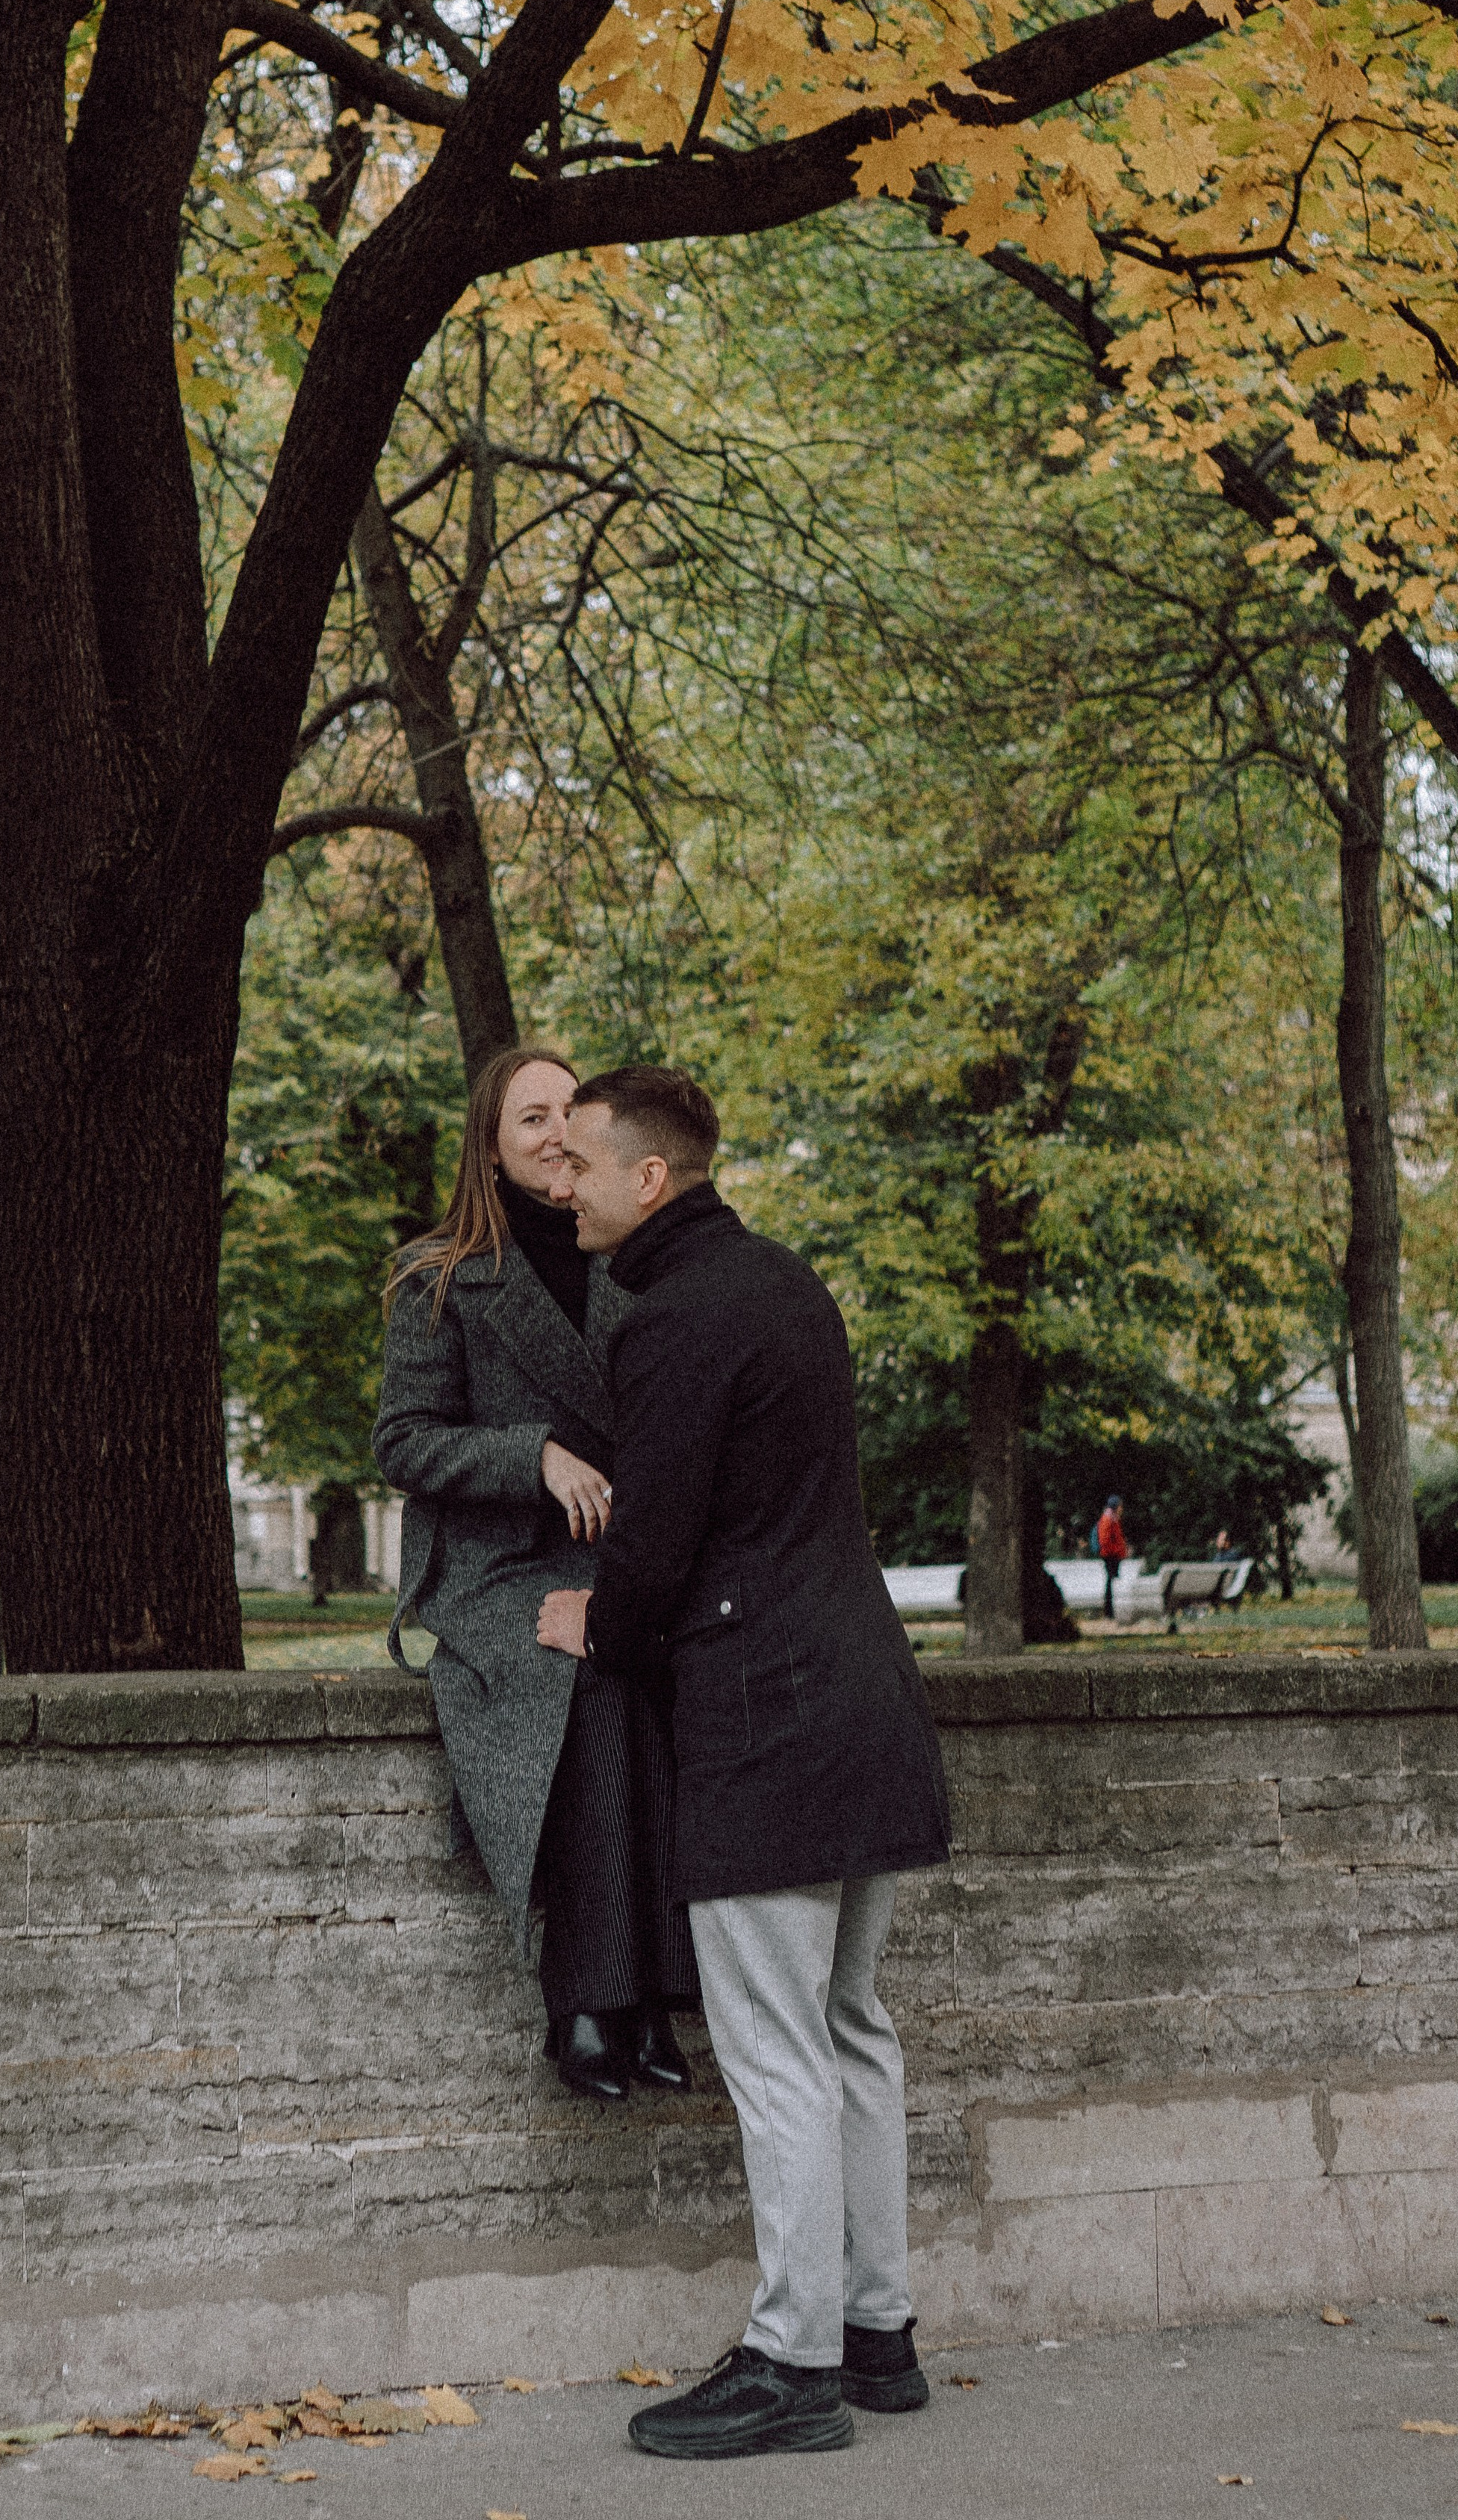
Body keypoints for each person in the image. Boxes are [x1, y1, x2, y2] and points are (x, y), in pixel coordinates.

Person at [537, 1066, 952, 2460]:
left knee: (777, 2051)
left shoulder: (673, 1319)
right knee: (853, 2029)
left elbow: (655, 1545)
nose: (564, 1184)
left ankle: (793, 2361)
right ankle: (879, 2334)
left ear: (649, 1177)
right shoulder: (786, 1285)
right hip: (865, 1696)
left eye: (582, 1162)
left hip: (768, 1720)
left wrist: (597, 1625)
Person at [373, 1045, 698, 2103]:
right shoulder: (439, 1275)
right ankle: (591, 2003)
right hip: (495, 1564)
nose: (556, 1132)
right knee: (584, 1671)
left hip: (611, 1548)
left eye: (570, 1109)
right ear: (490, 1148)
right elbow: (403, 1441)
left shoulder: (629, 1258)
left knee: (659, 1663)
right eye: (530, 1118)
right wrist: (534, 1456)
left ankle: (655, 1992)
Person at [1096, 1492, 1129, 1607]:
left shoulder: (1113, 1519)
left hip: (1113, 1555)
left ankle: (1112, 1607)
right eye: (1120, 1506)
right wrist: (1117, 1550)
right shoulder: (1108, 1520)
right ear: (1115, 1507)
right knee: (1112, 1582)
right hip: (1110, 1556)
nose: (1121, 1509)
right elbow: (1105, 1541)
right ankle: (1110, 1608)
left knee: (1113, 1581)